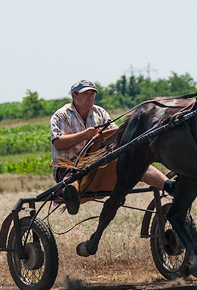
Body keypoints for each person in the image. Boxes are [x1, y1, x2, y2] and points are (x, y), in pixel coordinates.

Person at [50, 80, 175, 214]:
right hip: (69, 167)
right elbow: (58, 143)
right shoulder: (61, 115)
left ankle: (171, 187)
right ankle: (70, 194)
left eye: (92, 93)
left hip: (97, 164)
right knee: (72, 178)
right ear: (74, 95)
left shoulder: (100, 112)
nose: (90, 96)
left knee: (136, 163)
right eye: (86, 93)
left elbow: (118, 137)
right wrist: (84, 135)